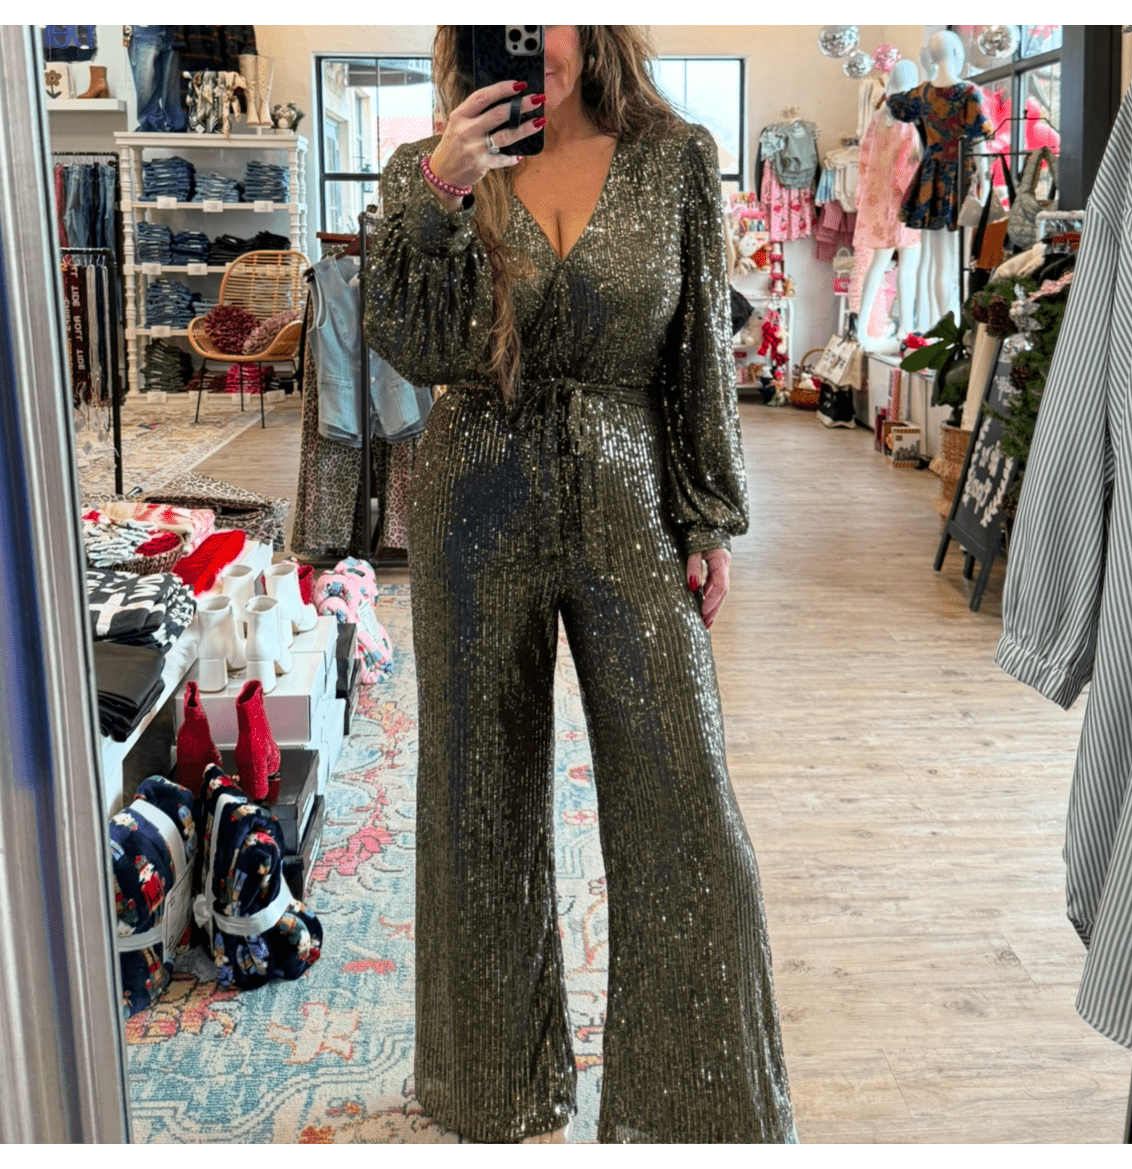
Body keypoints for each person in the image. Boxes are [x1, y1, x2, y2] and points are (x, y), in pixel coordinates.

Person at [364, 25, 796, 1144]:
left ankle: (693, 1109)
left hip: (628, 497)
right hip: (473, 498)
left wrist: (707, 511)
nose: (528, 33)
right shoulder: (430, 166)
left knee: (681, 795)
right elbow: (406, 339)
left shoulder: (674, 158)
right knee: (477, 795)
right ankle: (492, 1085)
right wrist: (439, 190)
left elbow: (697, 348)